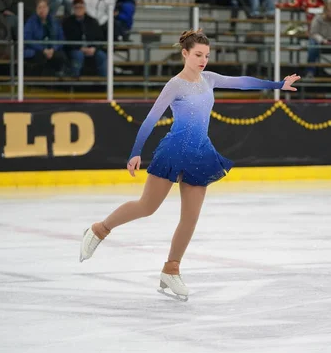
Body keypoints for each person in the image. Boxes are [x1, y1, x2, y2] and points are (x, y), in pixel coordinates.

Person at [79, 29, 300, 301]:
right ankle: (99, 230)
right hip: (174, 150)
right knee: (147, 206)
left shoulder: (209, 79)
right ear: (185, 54)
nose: (203, 60)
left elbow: (242, 82)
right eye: (198, 55)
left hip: (200, 153)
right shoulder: (175, 85)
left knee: (190, 217)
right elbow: (150, 119)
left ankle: (171, 269)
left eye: (206, 55)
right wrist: (136, 152)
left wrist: (278, 85)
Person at [63, 0, 107, 77]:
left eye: (81, 7)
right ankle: (74, 82)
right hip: (75, 49)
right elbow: (66, 40)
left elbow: (100, 38)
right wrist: (80, 48)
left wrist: (94, 48)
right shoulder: (67, 22)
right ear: (73, 9)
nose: (79, 10)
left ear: (85, 8)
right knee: (78, 55)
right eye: (76, 8)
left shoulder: (92, 22)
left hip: (92, 49)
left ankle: (104, 82)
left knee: (102, 56)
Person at [24, 0, 67, 76]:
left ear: (48, 8)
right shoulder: (31, 22)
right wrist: (43, 49)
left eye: (44, 7)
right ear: (36, 9)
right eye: (39, 7)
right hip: (35, 50)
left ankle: (58, 80)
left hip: (51, 50)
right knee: (40, 58)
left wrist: (53, 49)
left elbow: (61, 38)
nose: (42, 10)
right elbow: (27, 39)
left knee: (61, 57)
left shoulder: (55, 21)